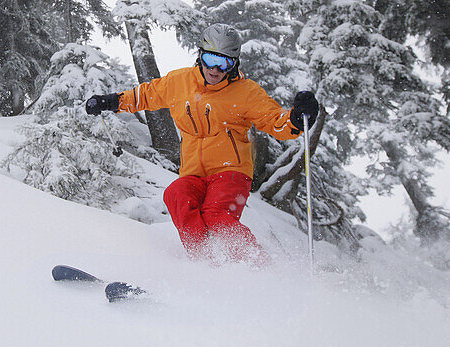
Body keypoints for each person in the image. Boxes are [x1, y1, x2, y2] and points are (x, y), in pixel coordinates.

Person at [85, 24, 319, 263]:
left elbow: (273, 120)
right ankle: (206, 261)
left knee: (216, 215)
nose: (215, 69)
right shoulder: (180, 82)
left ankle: (258, 266)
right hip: (193, 172)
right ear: (200, 55)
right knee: (176, 195)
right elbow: (145, 95)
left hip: (231, 171)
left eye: (224, 63)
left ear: (234, 63)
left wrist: (296, 119)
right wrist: (111, 101)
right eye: (210, 59)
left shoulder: (246, 92)